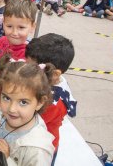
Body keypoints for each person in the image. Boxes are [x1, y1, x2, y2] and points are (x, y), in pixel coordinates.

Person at [0, 60, 55, 165]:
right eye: (6, 98)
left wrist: (6, 159)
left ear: (40, 102)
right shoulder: (13, 117)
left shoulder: (38, 151)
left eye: (23, 102)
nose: (12, 109)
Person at [25, 33, 77, 164]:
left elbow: (24, 121)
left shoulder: (53, 103)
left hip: (40, 150)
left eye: (33, 68)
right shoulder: (50, 81)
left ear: (55, 74)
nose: (26, 71)